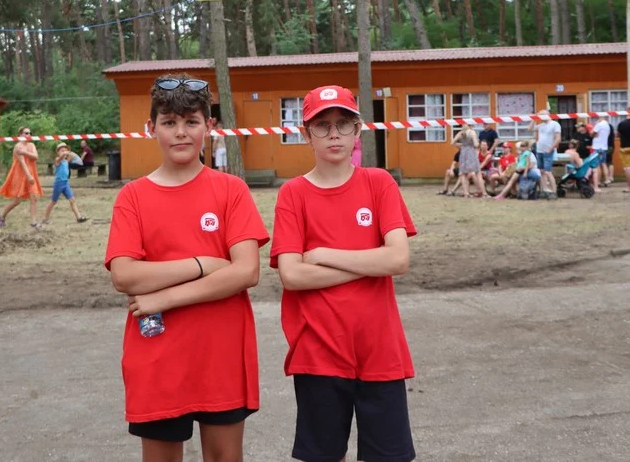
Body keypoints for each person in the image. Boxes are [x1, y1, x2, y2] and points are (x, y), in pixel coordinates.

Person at [105, 74, 269, 462]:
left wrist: (165, 296)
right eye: (169, 122)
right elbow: (125, 275)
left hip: (221, 354)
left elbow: (246, 271)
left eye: (191, 122)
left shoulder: (231, 190)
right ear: (151, 128)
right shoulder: (133, 196)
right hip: (157, 353)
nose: (181, 133)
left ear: (209, 127)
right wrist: (203, 264)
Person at [270, 84, 416, 462]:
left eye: (342, 124)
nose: (333, 134)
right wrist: (370, 264)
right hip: (318, 351)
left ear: (357, 130)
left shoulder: (379, 182)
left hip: (380, 350)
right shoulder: (293, 194)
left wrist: (322, 255)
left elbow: (398, 260)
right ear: (306, 134)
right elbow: (293, 276)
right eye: (322, 125)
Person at [0, 127, 43, 228]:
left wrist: (25, 153)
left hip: (31, 173)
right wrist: (28, 176)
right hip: (20, 175)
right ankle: (2, 216)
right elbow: (22, 163)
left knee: (34, 197)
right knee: (17, 201)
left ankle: (33, 222)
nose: (28, 135)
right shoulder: (18, 146)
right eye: (26, 133)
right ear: (20, 135)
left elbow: (35, 156)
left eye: (30, 133)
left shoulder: (31, 145)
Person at [41, 143, 89, 225]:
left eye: (66, 150)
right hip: (59, 183)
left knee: (72, 200)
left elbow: (76, 160)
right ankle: (46, 218)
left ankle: (79, 217)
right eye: (62, 150)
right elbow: (60, 158)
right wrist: (64, 154)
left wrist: (70, 154)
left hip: (65, 183)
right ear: (58, 152)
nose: (64, 152)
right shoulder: (57, 160)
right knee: (53, 201)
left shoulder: (66, 161)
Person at [453, 125, 487, 198]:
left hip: (463, 153)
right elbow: (475, 144)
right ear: (470, 126)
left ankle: (466, 193)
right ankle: (484, 193)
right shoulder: (472, 132)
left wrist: (463, 145)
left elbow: (452, 143)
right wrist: (477, 143)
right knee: (478, 173)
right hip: (471, 153)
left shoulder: (460, 133)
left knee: (463, 174)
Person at [533, 113, 561, 200]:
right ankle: (545, 190)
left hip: (548, 150)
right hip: (539, 150)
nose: (540, 117)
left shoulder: (555, 124)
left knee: (548, 172)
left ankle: (554, 191)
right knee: (541, 171)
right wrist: (533, 118)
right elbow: (530, 128)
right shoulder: (541, 125)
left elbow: (558, 138)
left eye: (542, 115)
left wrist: (551, 148)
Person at [592, 117, 612, 188]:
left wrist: (595, 125)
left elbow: (592, 133)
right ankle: (607, 179)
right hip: (604, 146)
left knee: (597, 165)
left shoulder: (599, 125)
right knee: (603, 164)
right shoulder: (607, 126)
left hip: (597, 146)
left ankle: (598, 181)